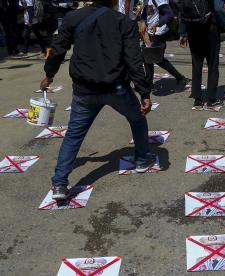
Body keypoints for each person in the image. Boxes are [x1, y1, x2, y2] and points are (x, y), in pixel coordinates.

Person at [40, 0, 155, 199]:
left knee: (74, 134)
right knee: (137, 119)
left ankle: (59, 184)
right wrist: (144, 93)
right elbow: (134, 60)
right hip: (116, 88)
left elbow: (58, 48)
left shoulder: (73, 17)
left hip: (85, 89)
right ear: (114, 1)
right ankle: (142, 159)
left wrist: (49, 74)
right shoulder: (123, 22)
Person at [178, 0, 225, 110]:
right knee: (213, 65)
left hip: (192, 30)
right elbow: (218, 9)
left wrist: (182, 32)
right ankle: (211, 99)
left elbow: (182, 11)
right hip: (210, 30)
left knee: (196, 64)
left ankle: (197, 100)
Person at [140, 0, 189, 86]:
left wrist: (157, 24)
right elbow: (149, 10)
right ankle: (149, 82)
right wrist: (144, 21)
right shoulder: (147, 1)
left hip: (160, 32)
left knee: (155, 57)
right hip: (151, 32)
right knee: (148, 56)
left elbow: (169, 14)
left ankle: (180, 77)